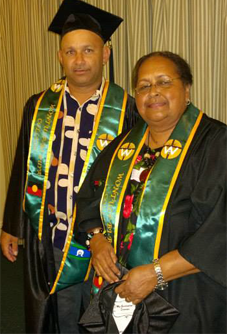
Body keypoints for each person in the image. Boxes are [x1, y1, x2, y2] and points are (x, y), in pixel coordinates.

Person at [0, 0, 138, 334]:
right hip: (50, 233)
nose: (79, 60)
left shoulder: (128, 110)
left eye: (88, 50)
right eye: (71, 51)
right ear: (60, 56)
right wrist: (11, 225)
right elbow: (23, 166)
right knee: (59, 313)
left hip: (104, 241)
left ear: (105, 54)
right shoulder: (38, 105)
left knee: (101, 313)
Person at [76, 51, 227, 333]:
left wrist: (155, 274)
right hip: (123, 288)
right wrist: (96, 240)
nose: (153, 92)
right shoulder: (125, 146)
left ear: (186, 89)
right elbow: (89, 197)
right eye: (144, 86)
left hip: (188, 294)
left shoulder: (218, 145)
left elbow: (219, 233)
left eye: (164, 82)